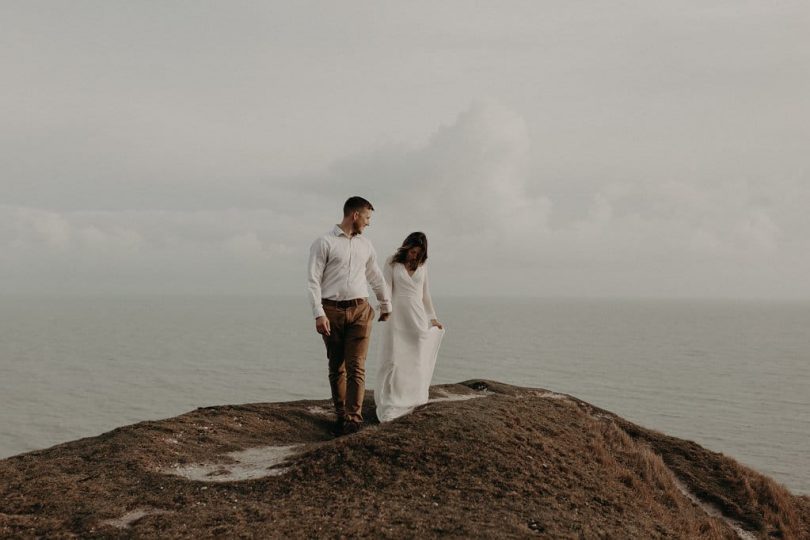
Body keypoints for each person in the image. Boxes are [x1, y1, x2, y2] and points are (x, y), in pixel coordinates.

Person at [307, 196, 391, 435]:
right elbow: (313, 281)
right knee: (337, 366)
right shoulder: (324, 242)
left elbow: (374, 275)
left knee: (357, 366)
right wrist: (318, 314)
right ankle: (341, 413)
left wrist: (386, 304)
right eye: (367, 217)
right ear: (354, 215)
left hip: (360, 310)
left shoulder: (366, 245)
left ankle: (353, 419)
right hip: (331, 311)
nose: (368, 223)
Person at [375, 232, 444, 423]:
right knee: (395, 360)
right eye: (413, 251)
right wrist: (384, 308)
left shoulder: (423, 265)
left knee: (415, 361)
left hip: (417, 317)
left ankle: (413, 398)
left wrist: (433, 319)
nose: (414, 255)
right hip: (396, 317)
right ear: (407, 247)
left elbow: (425, 295)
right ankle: (392, 400)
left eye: (418, 253)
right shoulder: (392, 262)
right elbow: (386, 288)